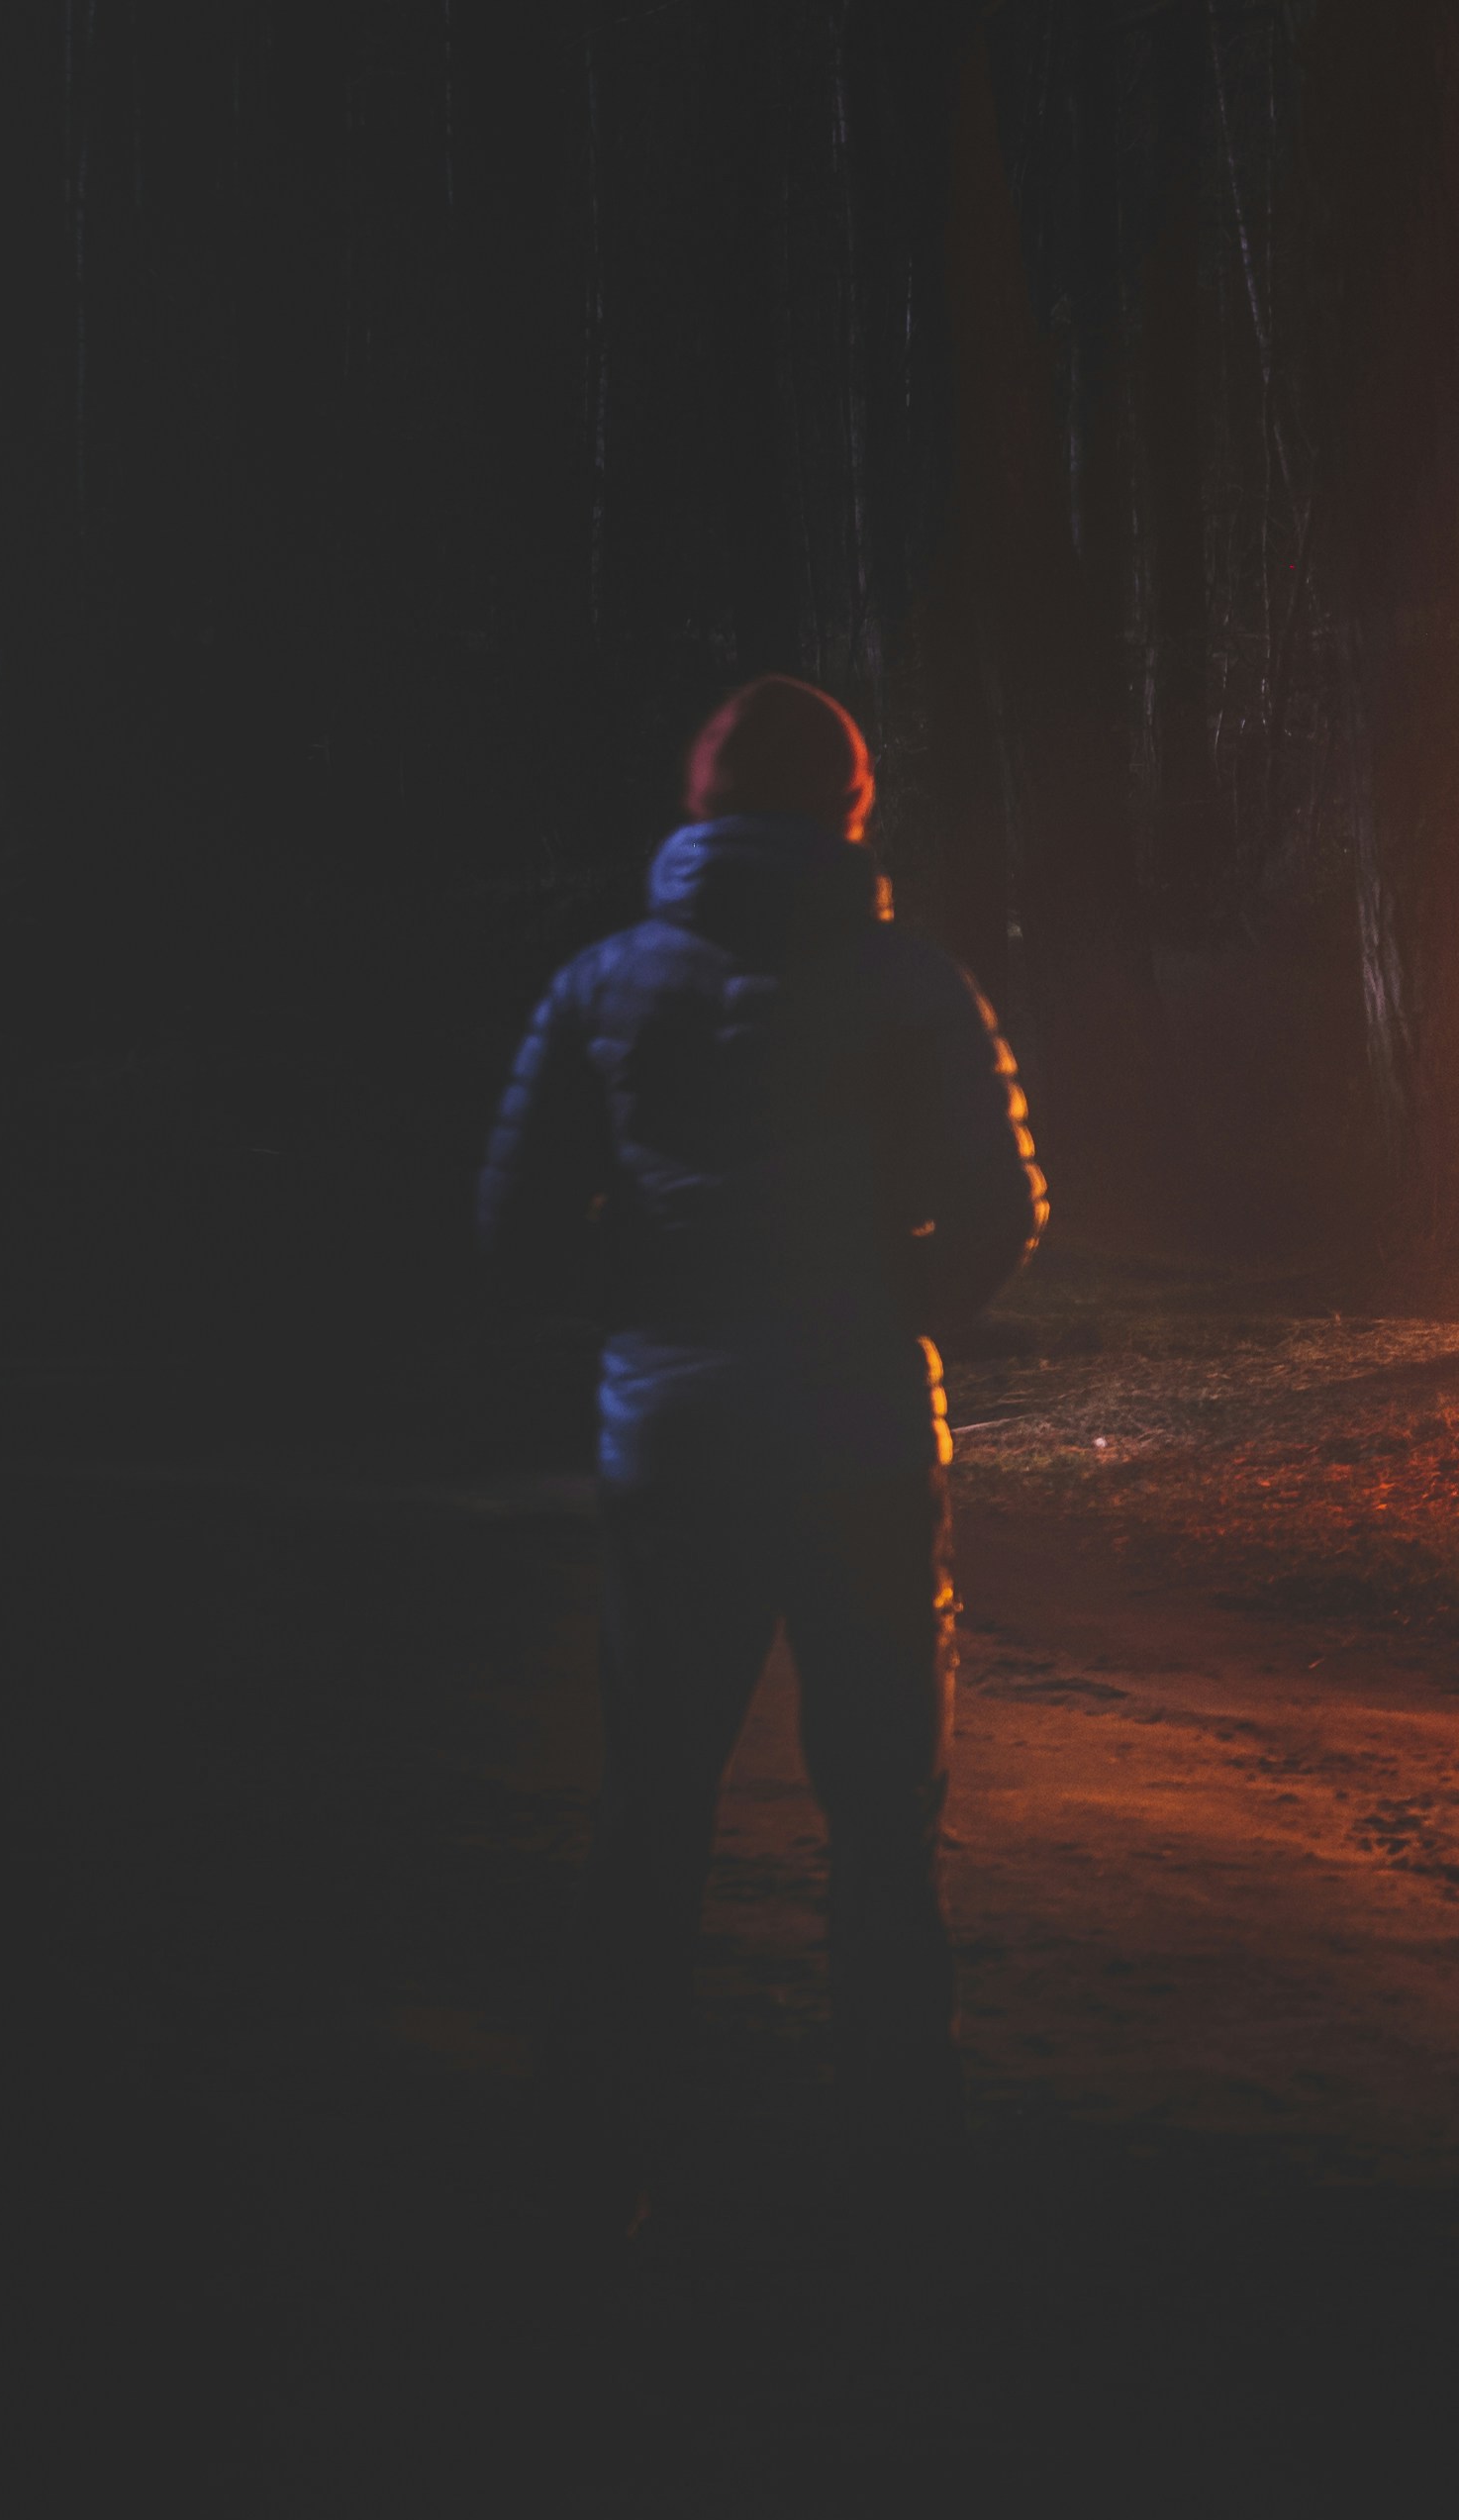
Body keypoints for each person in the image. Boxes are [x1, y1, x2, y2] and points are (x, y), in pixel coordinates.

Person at [478, 677, 1045, 2222]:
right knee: (880, 1808)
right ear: (855, 806)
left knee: (653, 1786)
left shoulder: (603, 986)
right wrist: (884, 1311)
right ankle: (894, 2133)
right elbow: (1003, 1207)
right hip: (860, 1432)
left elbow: (512, 1218)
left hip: (675, 1438)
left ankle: (610, 2125)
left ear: (700, 807)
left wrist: (643, 1320)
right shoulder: (915, 986)